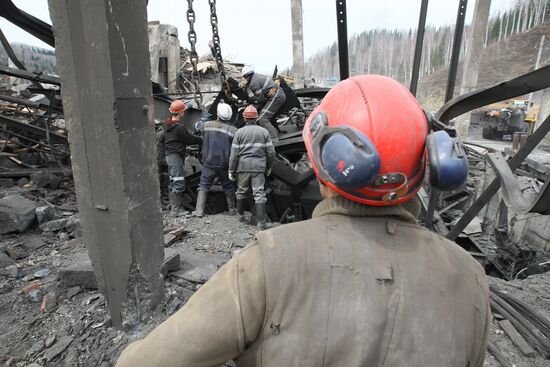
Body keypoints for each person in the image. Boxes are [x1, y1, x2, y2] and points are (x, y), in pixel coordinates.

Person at [115, 75, 490, 367]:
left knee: (236, 196)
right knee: (252, 197)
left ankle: (210, 210)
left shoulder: (268, 262)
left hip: (231, 173)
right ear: (432, 163)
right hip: (251, 173)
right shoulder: (471, 279)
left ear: (323, 158)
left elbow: (143, 362)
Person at [228, 105, 275, 229]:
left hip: (243, 167)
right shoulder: (264, 132)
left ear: (244, 118)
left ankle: (240, 217)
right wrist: (268, 166)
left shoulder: (239, 133)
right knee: (259, 193)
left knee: (241, 191)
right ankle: (261, 223)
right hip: (259, 167)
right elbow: (271, 152)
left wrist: (231, 170)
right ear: (257, 118)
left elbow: (234, 155)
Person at [192, 102, 238, 217]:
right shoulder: (233, 130)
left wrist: (202, 118)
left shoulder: (207, 125)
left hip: (208, 162)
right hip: (224, 164)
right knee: (228, 185)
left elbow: (196, 126)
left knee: (203, 185)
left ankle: (199, 211)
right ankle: (232, 210)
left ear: (217, 114)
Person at [164, 100, 202, 216]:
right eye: (183, 111)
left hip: (170, 156)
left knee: (173, 181)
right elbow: (190, 139)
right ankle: (176, 210)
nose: (184, 112)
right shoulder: (179, 128)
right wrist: (202, 139)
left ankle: (173, 205)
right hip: (175, 157)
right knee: (178, 182)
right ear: (180, 112)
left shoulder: (167, 124)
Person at [240, 66, 285, 139]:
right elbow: (261, 97)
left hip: (276, 96)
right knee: (264, 115)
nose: (245, 79)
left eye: (244, 77)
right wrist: (254, 99)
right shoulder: (257, 76)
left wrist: (252, 100)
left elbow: (261, 99)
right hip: (277, 94)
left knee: (262, 119)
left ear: (246, 75)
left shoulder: (253, 83)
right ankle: (275, 133)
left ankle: (274, 140)